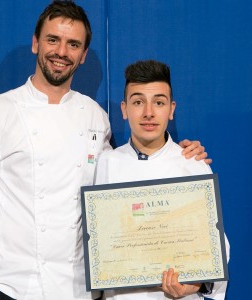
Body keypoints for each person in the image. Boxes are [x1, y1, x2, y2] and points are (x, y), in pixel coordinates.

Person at [0, 1, 210, 300]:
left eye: (73, 44)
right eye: (52, 40)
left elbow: (121, 184)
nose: (61, 52)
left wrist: (180, 154)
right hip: (14, 285)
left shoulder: (95, 115)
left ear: (82, 56)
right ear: (35, 43)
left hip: (81, 287)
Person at [94, 60, 230, 300]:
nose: (148, 112)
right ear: (124, 110)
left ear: (171, 109)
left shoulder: (192, 163)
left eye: (159, 102)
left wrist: (194, 285)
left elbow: (217, 247)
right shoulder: (105, 163)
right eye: (138, 102)